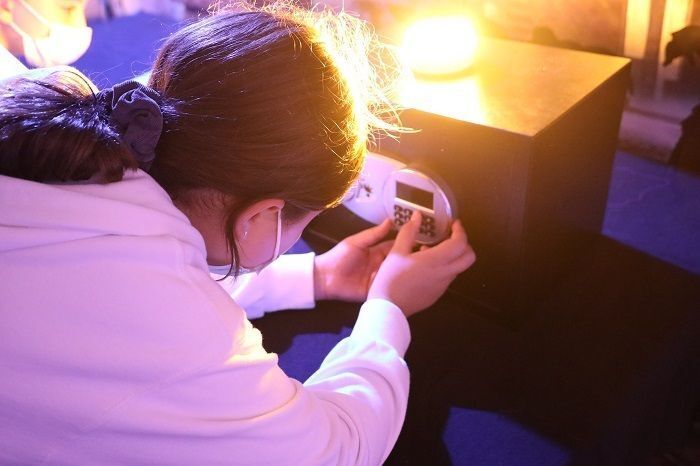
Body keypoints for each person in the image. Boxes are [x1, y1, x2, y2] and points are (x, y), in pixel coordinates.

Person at [0, 3, 475, 464]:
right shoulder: (179, 331)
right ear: (262, 215)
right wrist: (388, 311)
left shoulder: (62, 144)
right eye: (305, 223)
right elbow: (332, 451)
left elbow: (119, 287)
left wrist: (316, 277)